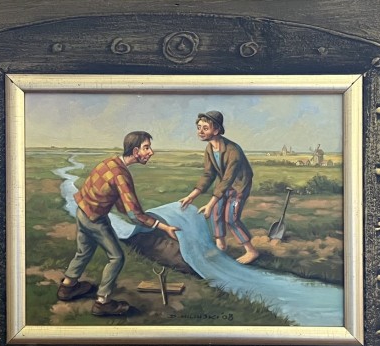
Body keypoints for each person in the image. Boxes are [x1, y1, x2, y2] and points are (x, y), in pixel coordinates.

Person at [58, 131, 180, 316]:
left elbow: (117, 199)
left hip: (82, 211)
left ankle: (67, 287)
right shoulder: (121, 175)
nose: (151, 152)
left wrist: (128, 212)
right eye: (147, 148)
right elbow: (134, 214)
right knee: (116, 258)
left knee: (84, 251)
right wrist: (163, 226)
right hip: (95, 218)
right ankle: (103, 302)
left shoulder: (110, 162)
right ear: (136, 151)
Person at [179, 111, 259, 264]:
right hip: (224, 185)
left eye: (205, 128)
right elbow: (208, 175)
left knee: (231, 218)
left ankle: (251, 251)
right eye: (198, 127)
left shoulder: (233, 151)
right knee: (216, 213)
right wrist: (191, 196)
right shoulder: (209, 149)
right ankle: (220, 246)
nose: (200, 132)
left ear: (216, 130)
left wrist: (209, 204)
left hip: (239, 186)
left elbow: (228, 179)